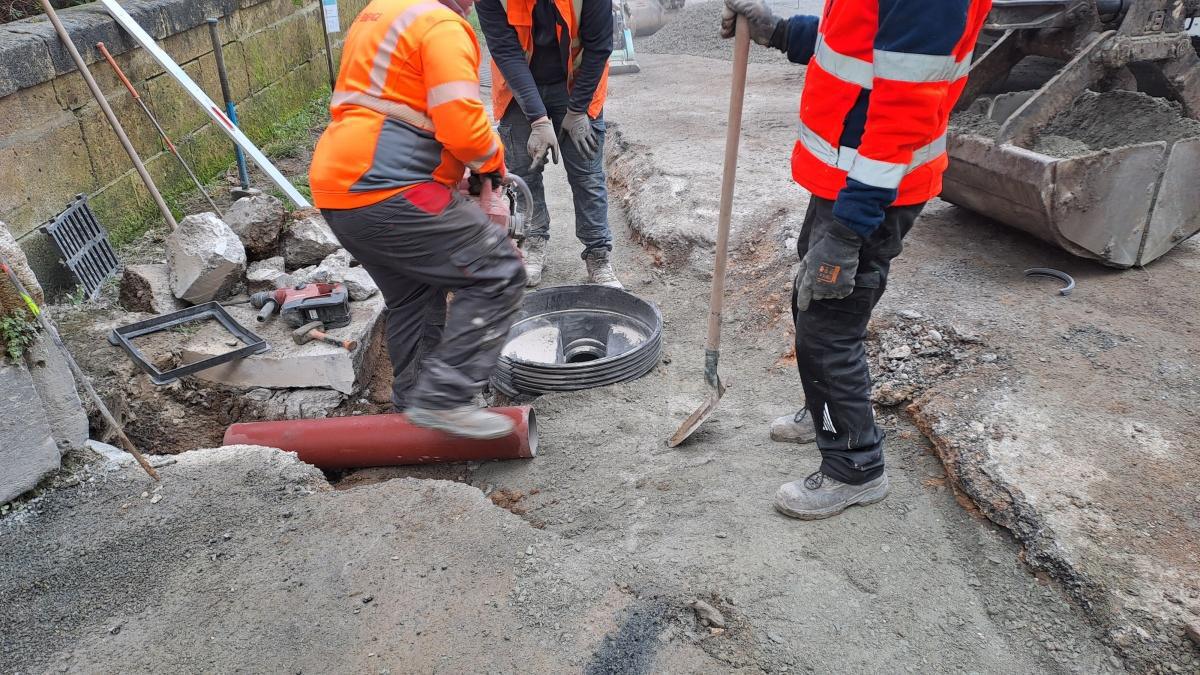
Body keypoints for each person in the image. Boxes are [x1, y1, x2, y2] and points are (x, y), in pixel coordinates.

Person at [720, 0, 991, 518]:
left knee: (829, 327)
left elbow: (901, 112)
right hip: (844, 182)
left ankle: (855, 467)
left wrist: (848, 230)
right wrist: (781, 32)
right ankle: (823, 413)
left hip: (872, 193)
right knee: (812, 304)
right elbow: (855, 42)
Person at [309, 0, 525, 440]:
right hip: (386, 188)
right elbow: (462, 125)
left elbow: (397, 108)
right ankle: (446, 399)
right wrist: (490, 166)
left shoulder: (381, 12)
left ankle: (416, 413)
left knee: (414, 295)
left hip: (340, 187)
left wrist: (450, 175)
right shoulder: (442, 25)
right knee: (497, 269)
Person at [476, 0, 623, 289]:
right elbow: (505, 51)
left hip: (577, 83)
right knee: (524, 173)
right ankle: (532, 242)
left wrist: (578, 110)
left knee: (587, 174)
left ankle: (598, 255)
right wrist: (538, 119)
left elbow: (599, 46)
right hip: (519, 88)